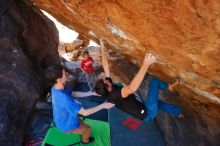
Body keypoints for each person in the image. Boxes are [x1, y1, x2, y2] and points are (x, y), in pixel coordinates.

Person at [95, 38, 183, 121]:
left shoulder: (108, 86)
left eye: (105, 80)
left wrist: (102, 47)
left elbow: (105, 67)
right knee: (154, 82)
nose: (107, 80)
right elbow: (131, 88)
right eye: (106, 83)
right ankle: (169, 87)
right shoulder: (115, 95)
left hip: (143, 107)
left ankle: (177, 112)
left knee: (156, 101)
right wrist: (146, 64)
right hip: (148, 113)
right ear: (108, 90)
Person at [45, 65, 114, 144]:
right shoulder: (65, 100)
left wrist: (90, 93)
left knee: (76, 111)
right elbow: (85, 112)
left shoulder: (55, 87)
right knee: (88, 129)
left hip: (60, 118)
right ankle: (85, 141)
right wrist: (103, 106)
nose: (66, 73)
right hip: (66, 125)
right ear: (59, 79)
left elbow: (72, 93)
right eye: (64, 73)